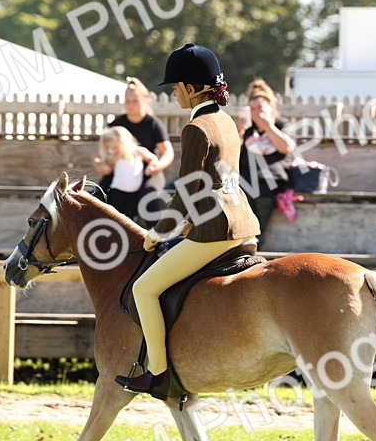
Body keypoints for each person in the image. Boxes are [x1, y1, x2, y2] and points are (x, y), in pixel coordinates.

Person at [115, 43, 261, 398]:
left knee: (143, 288)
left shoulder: (197, 128)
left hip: (214, 232)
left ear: (192, 88)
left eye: (177, 87)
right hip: (245, 225)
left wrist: (158, 232)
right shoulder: (226, 121)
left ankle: (159, 374)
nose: (175, 94)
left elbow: (188, 191)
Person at [94, 77, 175, 195]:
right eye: (128, 100)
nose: (131, 105)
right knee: (100, 194)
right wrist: (100, 163)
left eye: (135, 100)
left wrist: (156, 166)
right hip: (120, 171)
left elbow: (167, 152)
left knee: (148, 196)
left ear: (144, 100)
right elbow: (99, 148)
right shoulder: (117, 123)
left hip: (146, 172)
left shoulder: (153, 123)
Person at [238, 79, 295, 243]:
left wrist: (269, 128)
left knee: (257, 224)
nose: (256, 113)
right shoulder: (247, 128)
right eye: (252, 109)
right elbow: (234, 152)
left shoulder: (280, 125)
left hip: (270, 180)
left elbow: (286, 148)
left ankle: (254, 244)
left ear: (271, 108)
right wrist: (240, 131)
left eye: (260, 108)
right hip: (245, 180)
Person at [97, 126, 158, 224]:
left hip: (134, 193)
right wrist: (101, 164)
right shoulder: (115, 156)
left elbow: (153, 158)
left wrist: (152, 166)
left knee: (130, 218)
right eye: (111, 149)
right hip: (117, 191)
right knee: (116, 216)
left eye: (116, 147)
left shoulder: (138, 152)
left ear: (124, 142)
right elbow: (108, 168)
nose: (114, 150)